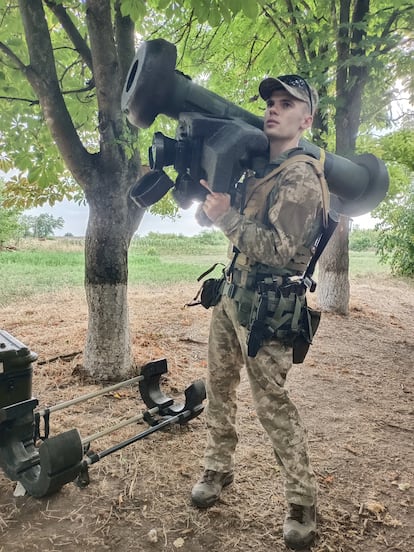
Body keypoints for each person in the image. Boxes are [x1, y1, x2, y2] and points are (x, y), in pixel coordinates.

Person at [191, 75, 324, 550]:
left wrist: (225, 216)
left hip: (269, 308)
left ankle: (302, 501)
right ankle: (217, 467)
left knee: (271, 405)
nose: (273, 109)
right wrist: (213, 209)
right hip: (232, 295)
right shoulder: (259, 170)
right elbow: (239, 235)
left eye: (286, 104)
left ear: (305, 120)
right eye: (270, 102)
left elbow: (276, 248)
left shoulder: (301, 177)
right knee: (220, 387)